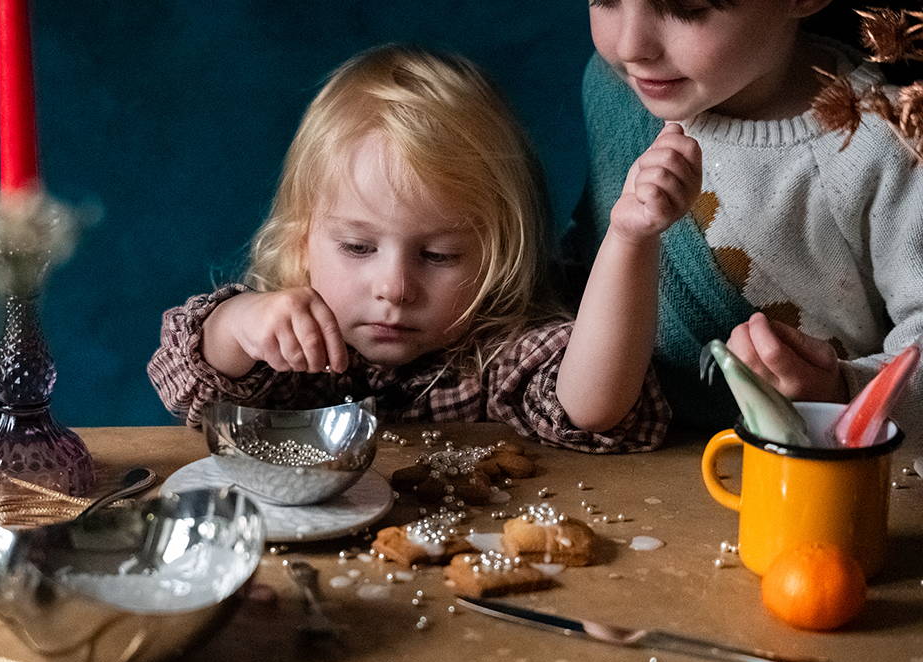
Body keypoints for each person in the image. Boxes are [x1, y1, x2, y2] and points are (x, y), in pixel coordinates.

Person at [149, 45, 697, 453]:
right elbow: (186, 381)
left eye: (439, 256)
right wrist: (239, 323)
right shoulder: (287, 344)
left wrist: (629, 237)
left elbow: (594, 410)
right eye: (358, 246)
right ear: (302, 238)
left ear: (499, 257)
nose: (394, 288)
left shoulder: (496, 355)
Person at [566, 0, 923, 445]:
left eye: (687, 8)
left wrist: (840, 392)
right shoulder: (615, 92)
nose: (631, 46)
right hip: (636, 454)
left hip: (806, 464)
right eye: (605, 0)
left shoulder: (885, 144)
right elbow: (581, 264)